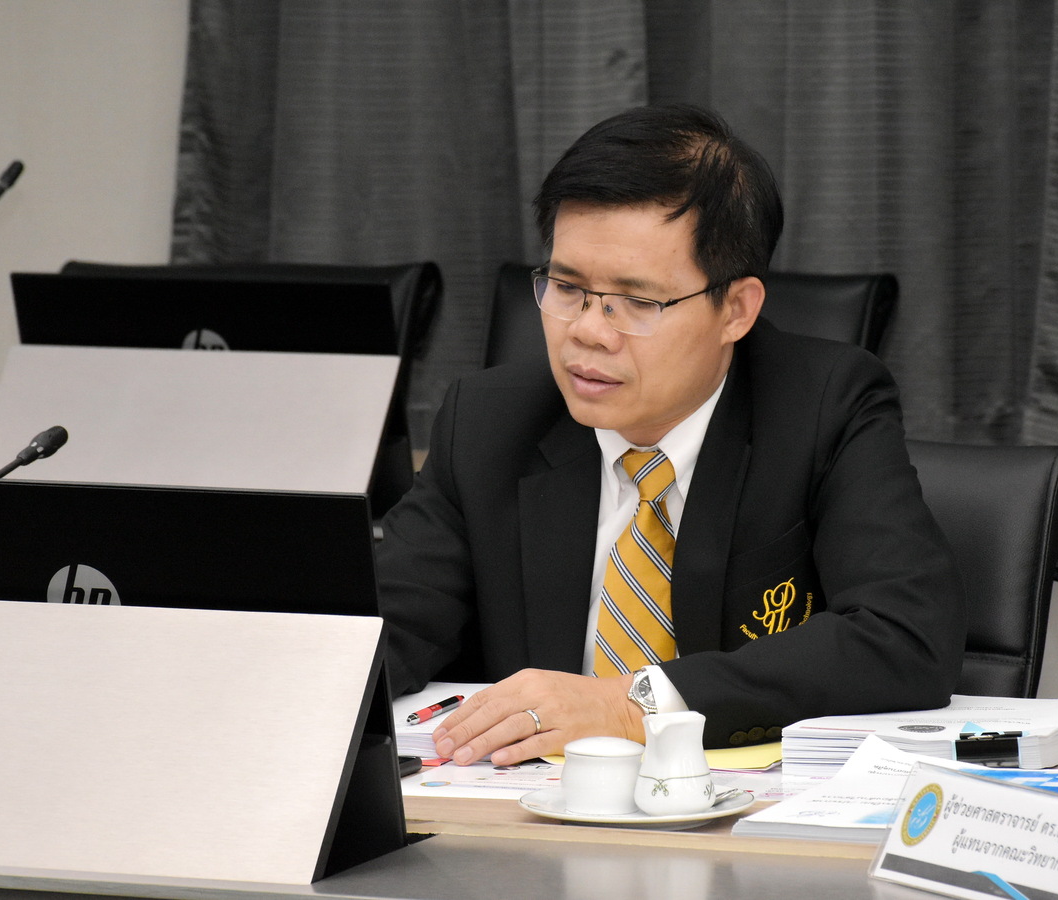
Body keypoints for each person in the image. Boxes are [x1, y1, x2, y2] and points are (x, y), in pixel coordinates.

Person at [376, 104, 966, 768]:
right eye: (567, 287)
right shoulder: (489, 422)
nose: (588, 331)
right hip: (521, 804)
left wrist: (633, 705)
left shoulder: (824, 408)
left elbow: (904, 637)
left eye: (636, 302)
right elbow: (377, 632)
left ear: (735, 309)